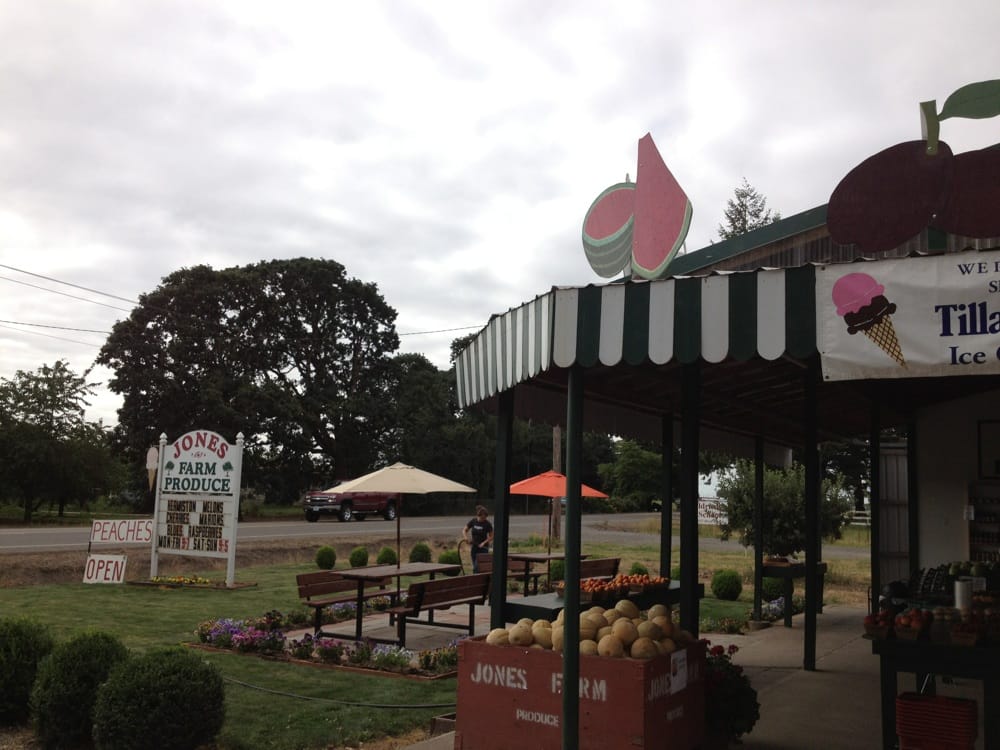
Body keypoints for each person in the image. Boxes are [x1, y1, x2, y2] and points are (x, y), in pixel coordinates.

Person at [463, 505, 494, 573]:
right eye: (482, 517)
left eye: (485, 517)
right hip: (474, 548)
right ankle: (477, 580)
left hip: (483, 549)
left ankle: (476, 580)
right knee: (475, 566)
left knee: (477, 567)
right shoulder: (473, 521)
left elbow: (491, 536)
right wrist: (466, 538)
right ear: (479, 515)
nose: (484, 519)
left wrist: (484, 543)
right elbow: (465, 530)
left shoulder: (487, 524)